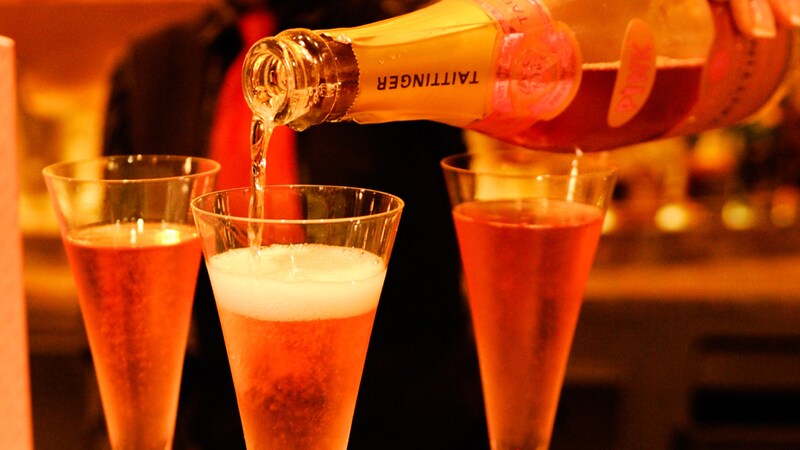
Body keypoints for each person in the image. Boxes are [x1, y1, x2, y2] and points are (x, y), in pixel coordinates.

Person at [102, 0, 488, 449]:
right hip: (204, 429)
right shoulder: (153, 65)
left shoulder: (392, 49)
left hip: (395, 424)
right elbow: (118, 303)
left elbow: (449, 288)